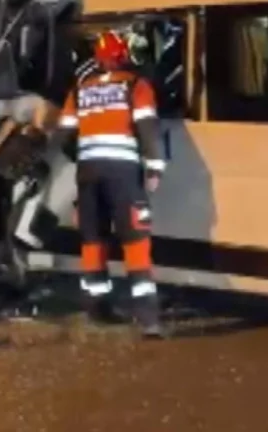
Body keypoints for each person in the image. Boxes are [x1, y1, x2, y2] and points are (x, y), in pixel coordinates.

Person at [58, 30, 167, 338]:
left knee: (93, 239)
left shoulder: (80, 90)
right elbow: (148, 127)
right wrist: (155, 167)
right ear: (124, 56)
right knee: (136, 239)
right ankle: (148, 319)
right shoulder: (136, 85)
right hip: (123, 174)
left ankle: (96, 308)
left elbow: (64, 135)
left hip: (88, 173)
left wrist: (82, 157)